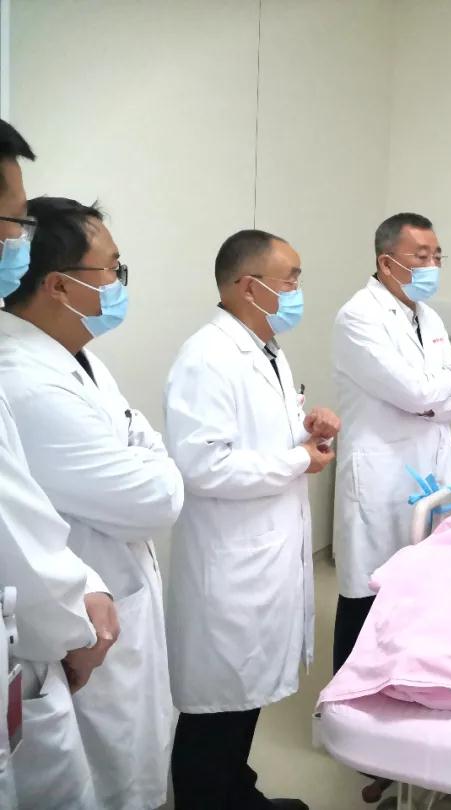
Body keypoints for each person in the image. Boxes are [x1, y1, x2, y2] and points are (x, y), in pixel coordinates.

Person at [0, 196, 183, 810]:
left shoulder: (78, 360)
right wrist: (149, 456)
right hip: (79, 626)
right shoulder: (25, 379)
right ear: (59, 284)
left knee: (132, 762)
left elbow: (145, 446)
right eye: (112, 269)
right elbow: (156, 498)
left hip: (115, 595)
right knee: (104, 782)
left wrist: (145, 452)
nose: (119, 283)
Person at [164, 229, 338, 810]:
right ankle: (207, 800)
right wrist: (297, 459)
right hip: (231, 563)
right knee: (216, 708)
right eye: (290, 279)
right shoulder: (207, 357)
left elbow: (254, 439)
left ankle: (239, 792)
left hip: (264, 552)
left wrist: (306, 429)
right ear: (248, 286)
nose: (297, 290)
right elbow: (203, 466)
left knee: (244, 699)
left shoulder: (265, 349)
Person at [0, 120, 115, 809]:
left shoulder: (80, 357)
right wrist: (78, 615)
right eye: (14, 221)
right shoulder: (21, 369)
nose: (17, 239)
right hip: (46, 630)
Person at [331, 212, 451, 670]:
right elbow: (416, 392)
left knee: (417, 589)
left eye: (437, 256)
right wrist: (432, 397)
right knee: (366, 595)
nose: (432, 266)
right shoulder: (358, 317)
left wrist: (432, 399)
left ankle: (400, 682)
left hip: (425, 466)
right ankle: (345, 694)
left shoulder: (427, 316)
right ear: (387, 262)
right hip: (381, 474)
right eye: (421, 256)